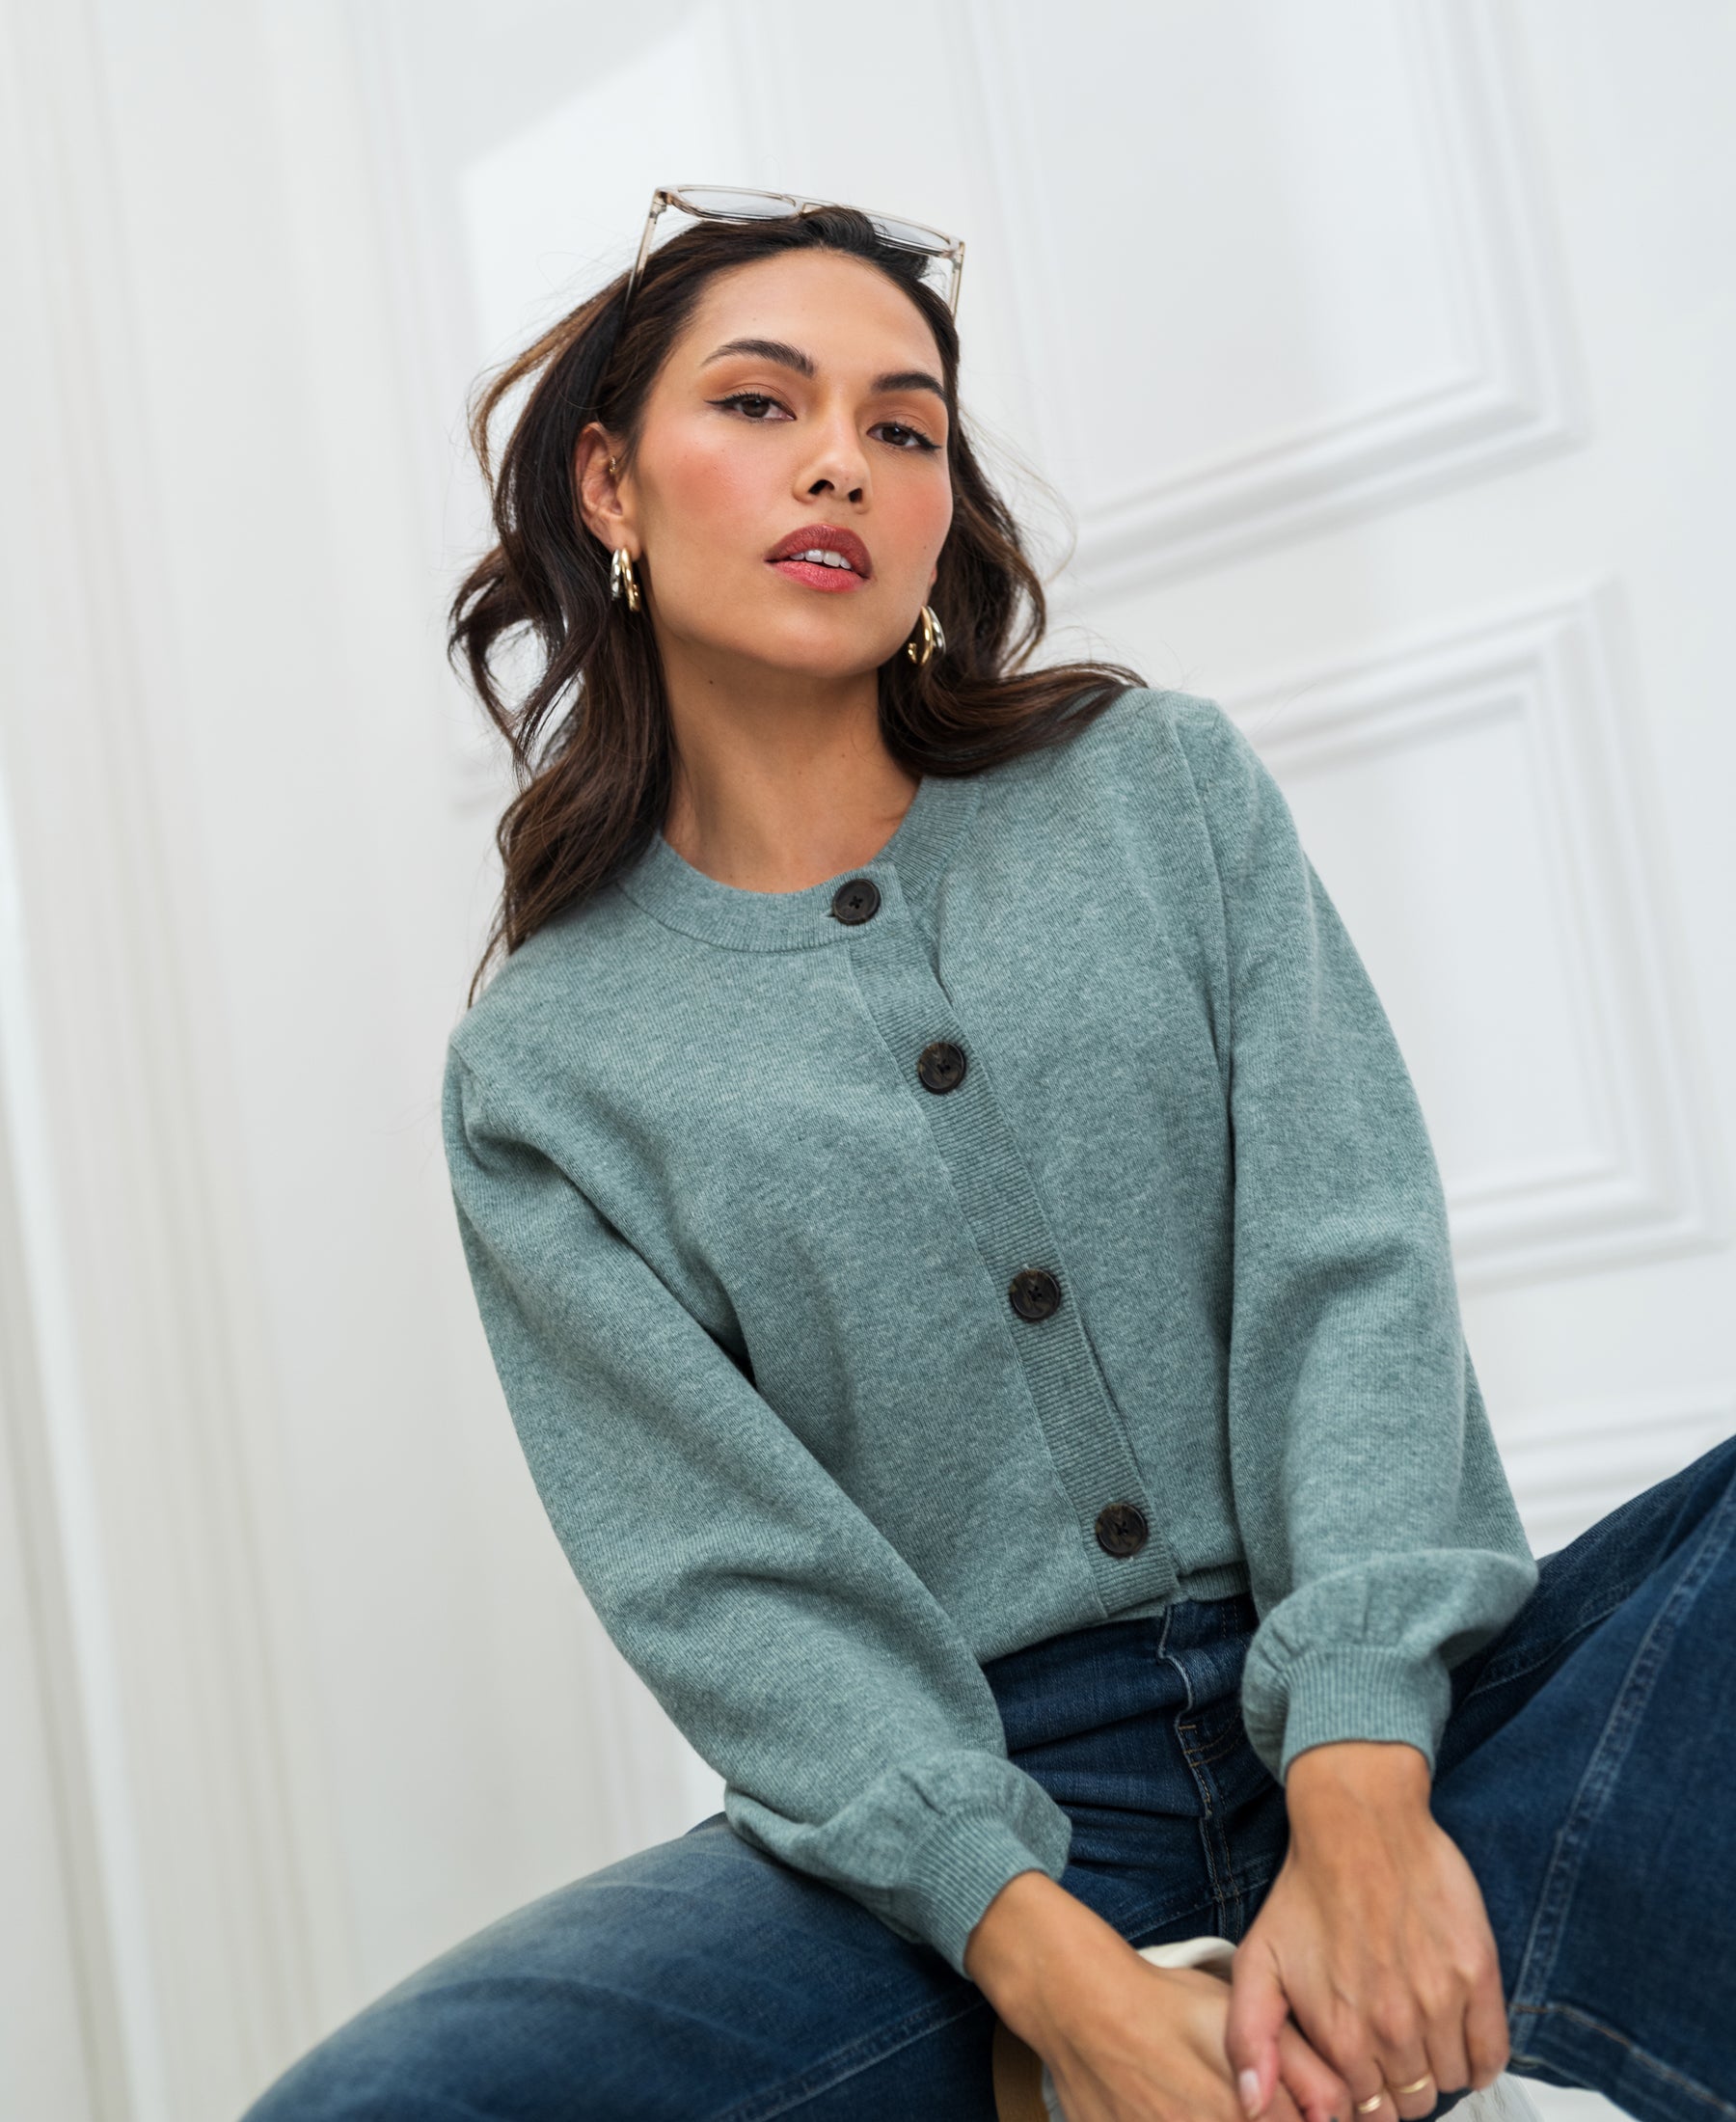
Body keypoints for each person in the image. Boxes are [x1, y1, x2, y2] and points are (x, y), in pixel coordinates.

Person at [240, 193, 1736, 2122]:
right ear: (610, 484)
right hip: (969, 1847)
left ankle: (1386, 1977)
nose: (841, 460)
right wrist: (1070, 1984)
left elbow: (1343, 1262)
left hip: (1407, 1720)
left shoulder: (1156, 791)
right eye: (763, 404)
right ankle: (1325, 2046)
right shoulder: (548, 1067)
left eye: (905, 423)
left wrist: (1361, 1795)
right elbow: (732, 1581)